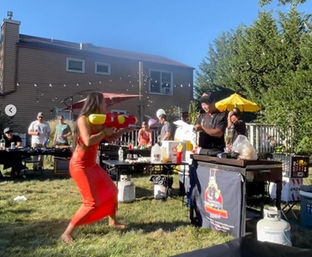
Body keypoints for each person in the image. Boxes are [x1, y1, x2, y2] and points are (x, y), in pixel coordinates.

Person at [61, 91, 131, 244]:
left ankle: (113, 221)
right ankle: (67, 233)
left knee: (113, 191)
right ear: (96, 104)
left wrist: (122, 131)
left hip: (91, 164)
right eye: (104, 103)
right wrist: (104, 132)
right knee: (91, 202)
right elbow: (87, 141)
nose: (106, 105)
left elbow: (109, 137)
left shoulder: (101, 121)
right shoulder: (83, 119)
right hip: (79, 165)